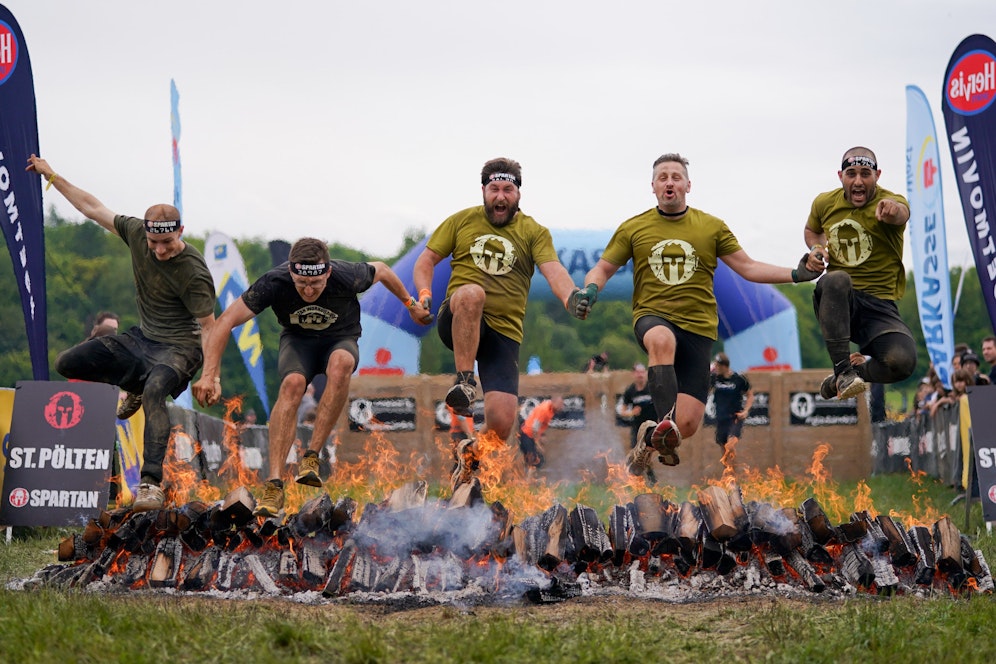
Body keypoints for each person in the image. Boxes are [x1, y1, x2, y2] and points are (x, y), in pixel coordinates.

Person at [581, 153, 821, 476]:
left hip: (698, 331)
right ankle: (664, 424)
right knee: (662, 340)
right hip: (652, 318)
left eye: (676, 177)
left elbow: (748, 268)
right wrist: (590, 290)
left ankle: (649, 442)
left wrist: (796, 273)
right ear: (652, 187)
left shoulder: (711, 227)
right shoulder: (634, 228)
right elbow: (602, 268)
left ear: (688, 185)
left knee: (690, 424)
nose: (669, 182)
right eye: (663, 177)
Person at [26, 154, 217, 512]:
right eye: (153, 243)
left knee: (156, 390)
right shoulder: (133, 231)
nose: (159, 251)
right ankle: (133, 385)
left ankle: (150, 484)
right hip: (143, 339)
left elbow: (210, 327)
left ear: (180, 232)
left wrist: (210, 375)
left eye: (167, 243)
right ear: (144, 233)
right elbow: (92, 208)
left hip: (181, 348)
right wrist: (51, 175)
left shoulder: (193, 271)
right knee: (69, 361)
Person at [192, 237, 430, 517]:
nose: (307, 290)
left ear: (327, 272)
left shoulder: (347, 275)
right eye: (301, 283)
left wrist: (410, 303)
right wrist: (209, 375)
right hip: (298, 343)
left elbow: (384, 271)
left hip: (340, 339)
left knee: (341, 363)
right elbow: (225, 322)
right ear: (291, 273)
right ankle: (274, 484)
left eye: (315, 284)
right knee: (292, 384)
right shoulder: (274, 282)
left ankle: (312, 456)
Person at [411, 157, 588, 488]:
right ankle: (465, 382)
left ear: (518, 194)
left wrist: (572, 297)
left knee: (503, 423)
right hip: (459, 318)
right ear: (483, 190)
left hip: (503, 334)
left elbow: (555, 272)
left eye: (508, 189)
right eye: (494, 189)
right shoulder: (461, 221)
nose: (501, 197)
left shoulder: (533, 232)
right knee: (472, 294)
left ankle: (472, 458)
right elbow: (425, 260)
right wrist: (422, 295)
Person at [805, 147, 917, 403]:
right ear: (840, 176)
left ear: (877, 175)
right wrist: (817, 248)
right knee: (836, 278)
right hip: (840, 301)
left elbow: (902, 212)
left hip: (879, 306)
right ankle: (843, 370)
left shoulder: (890, 201)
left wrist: (892, 210)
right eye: (851, 174)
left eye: (865, 174)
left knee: (902, 362)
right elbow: (812, 230)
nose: (858, 181)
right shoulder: (824, 203)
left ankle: (845, 377)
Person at [709, 352, 754, 450]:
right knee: (723, 444)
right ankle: (729, 465)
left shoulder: (738, 379)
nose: (715, 367)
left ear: (724, 366)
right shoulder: (714, 378)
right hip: (721, 416)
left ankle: (731, 464)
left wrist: (746, 410)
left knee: (730, 442)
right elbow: (706, 391)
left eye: (717, 365)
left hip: (735, 416)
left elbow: (750, 395)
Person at [517, 395, 565, 475]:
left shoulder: (551, 408)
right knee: (532, 459)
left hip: (531, 436)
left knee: (539, 460)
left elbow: (540, 425)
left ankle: (530, 480)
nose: (562, 407)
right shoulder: (544, 410)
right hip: (527, 435)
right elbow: (534, 428)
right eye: (560, 404)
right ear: (554, 403)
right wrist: (538, 444)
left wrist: (542, 435)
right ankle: (526, 482)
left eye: (562, 404)